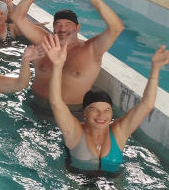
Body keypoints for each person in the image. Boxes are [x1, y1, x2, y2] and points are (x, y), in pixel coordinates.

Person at [45, 36, 168, 173]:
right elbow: (56, 103)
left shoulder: (119, 132)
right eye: (94, 109)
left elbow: (147, 105)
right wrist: (57, 66)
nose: (101, 115)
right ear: (84, 112)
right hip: (78, 181)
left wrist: (155, 70)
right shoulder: (74, 132)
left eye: (107, 110)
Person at [10, 0, 124, 108]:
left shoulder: (91, 50)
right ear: (53, 27)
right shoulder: (44, 41)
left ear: (78, 27)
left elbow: (116, 28)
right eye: (58, 24)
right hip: (34, 106)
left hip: (70, 114)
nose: (62, 28)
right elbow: (17, 17)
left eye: (68, 24)